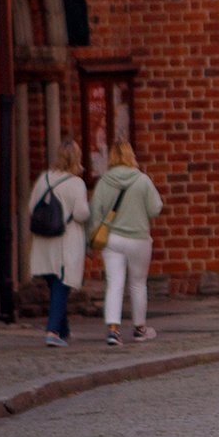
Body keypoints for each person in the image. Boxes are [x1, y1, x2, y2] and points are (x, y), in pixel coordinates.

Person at [91, 140, 163, 348]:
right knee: (138, 284)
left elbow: (95, 212)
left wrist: (92, 240)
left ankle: (114, 331)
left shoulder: (105, 181)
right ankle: (140, 328)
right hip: (138, 239)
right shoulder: (142, 180)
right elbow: (155, 208)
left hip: (112, 239)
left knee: (114, 284)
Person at [25, 143, 90, 348]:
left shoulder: (44, 178)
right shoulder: (76, 183)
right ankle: (52, 331)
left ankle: (64, 329)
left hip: (44, 238)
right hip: (65, 238)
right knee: (63, 282)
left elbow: (30, 206)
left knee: (53, 281)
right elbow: (81, 213)